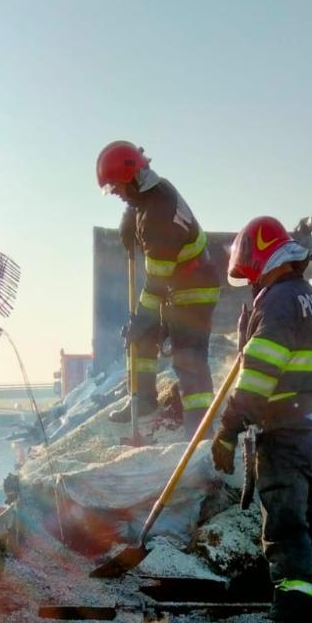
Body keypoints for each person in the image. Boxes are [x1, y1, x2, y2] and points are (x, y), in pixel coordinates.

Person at [211, 216, 312, 623]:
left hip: (283, 427)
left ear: (264, 259)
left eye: (251, 274)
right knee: (311, 514)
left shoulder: (278, 301)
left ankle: (296, 606)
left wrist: (228, 429)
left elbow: (260, 375)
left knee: (284, 519)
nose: (251, 284)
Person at [96, 141, 221, 438]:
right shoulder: (151, 193)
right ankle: (144, 401)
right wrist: (128, 222)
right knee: (141, 339)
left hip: (194, 290)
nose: (114, 193)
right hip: (175, 286)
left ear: (131, 179)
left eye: (116, 187)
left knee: (188, 360)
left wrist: (141, 319)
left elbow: (156, 282)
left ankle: (200, 432)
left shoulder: (157, 217)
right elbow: (136, 204)